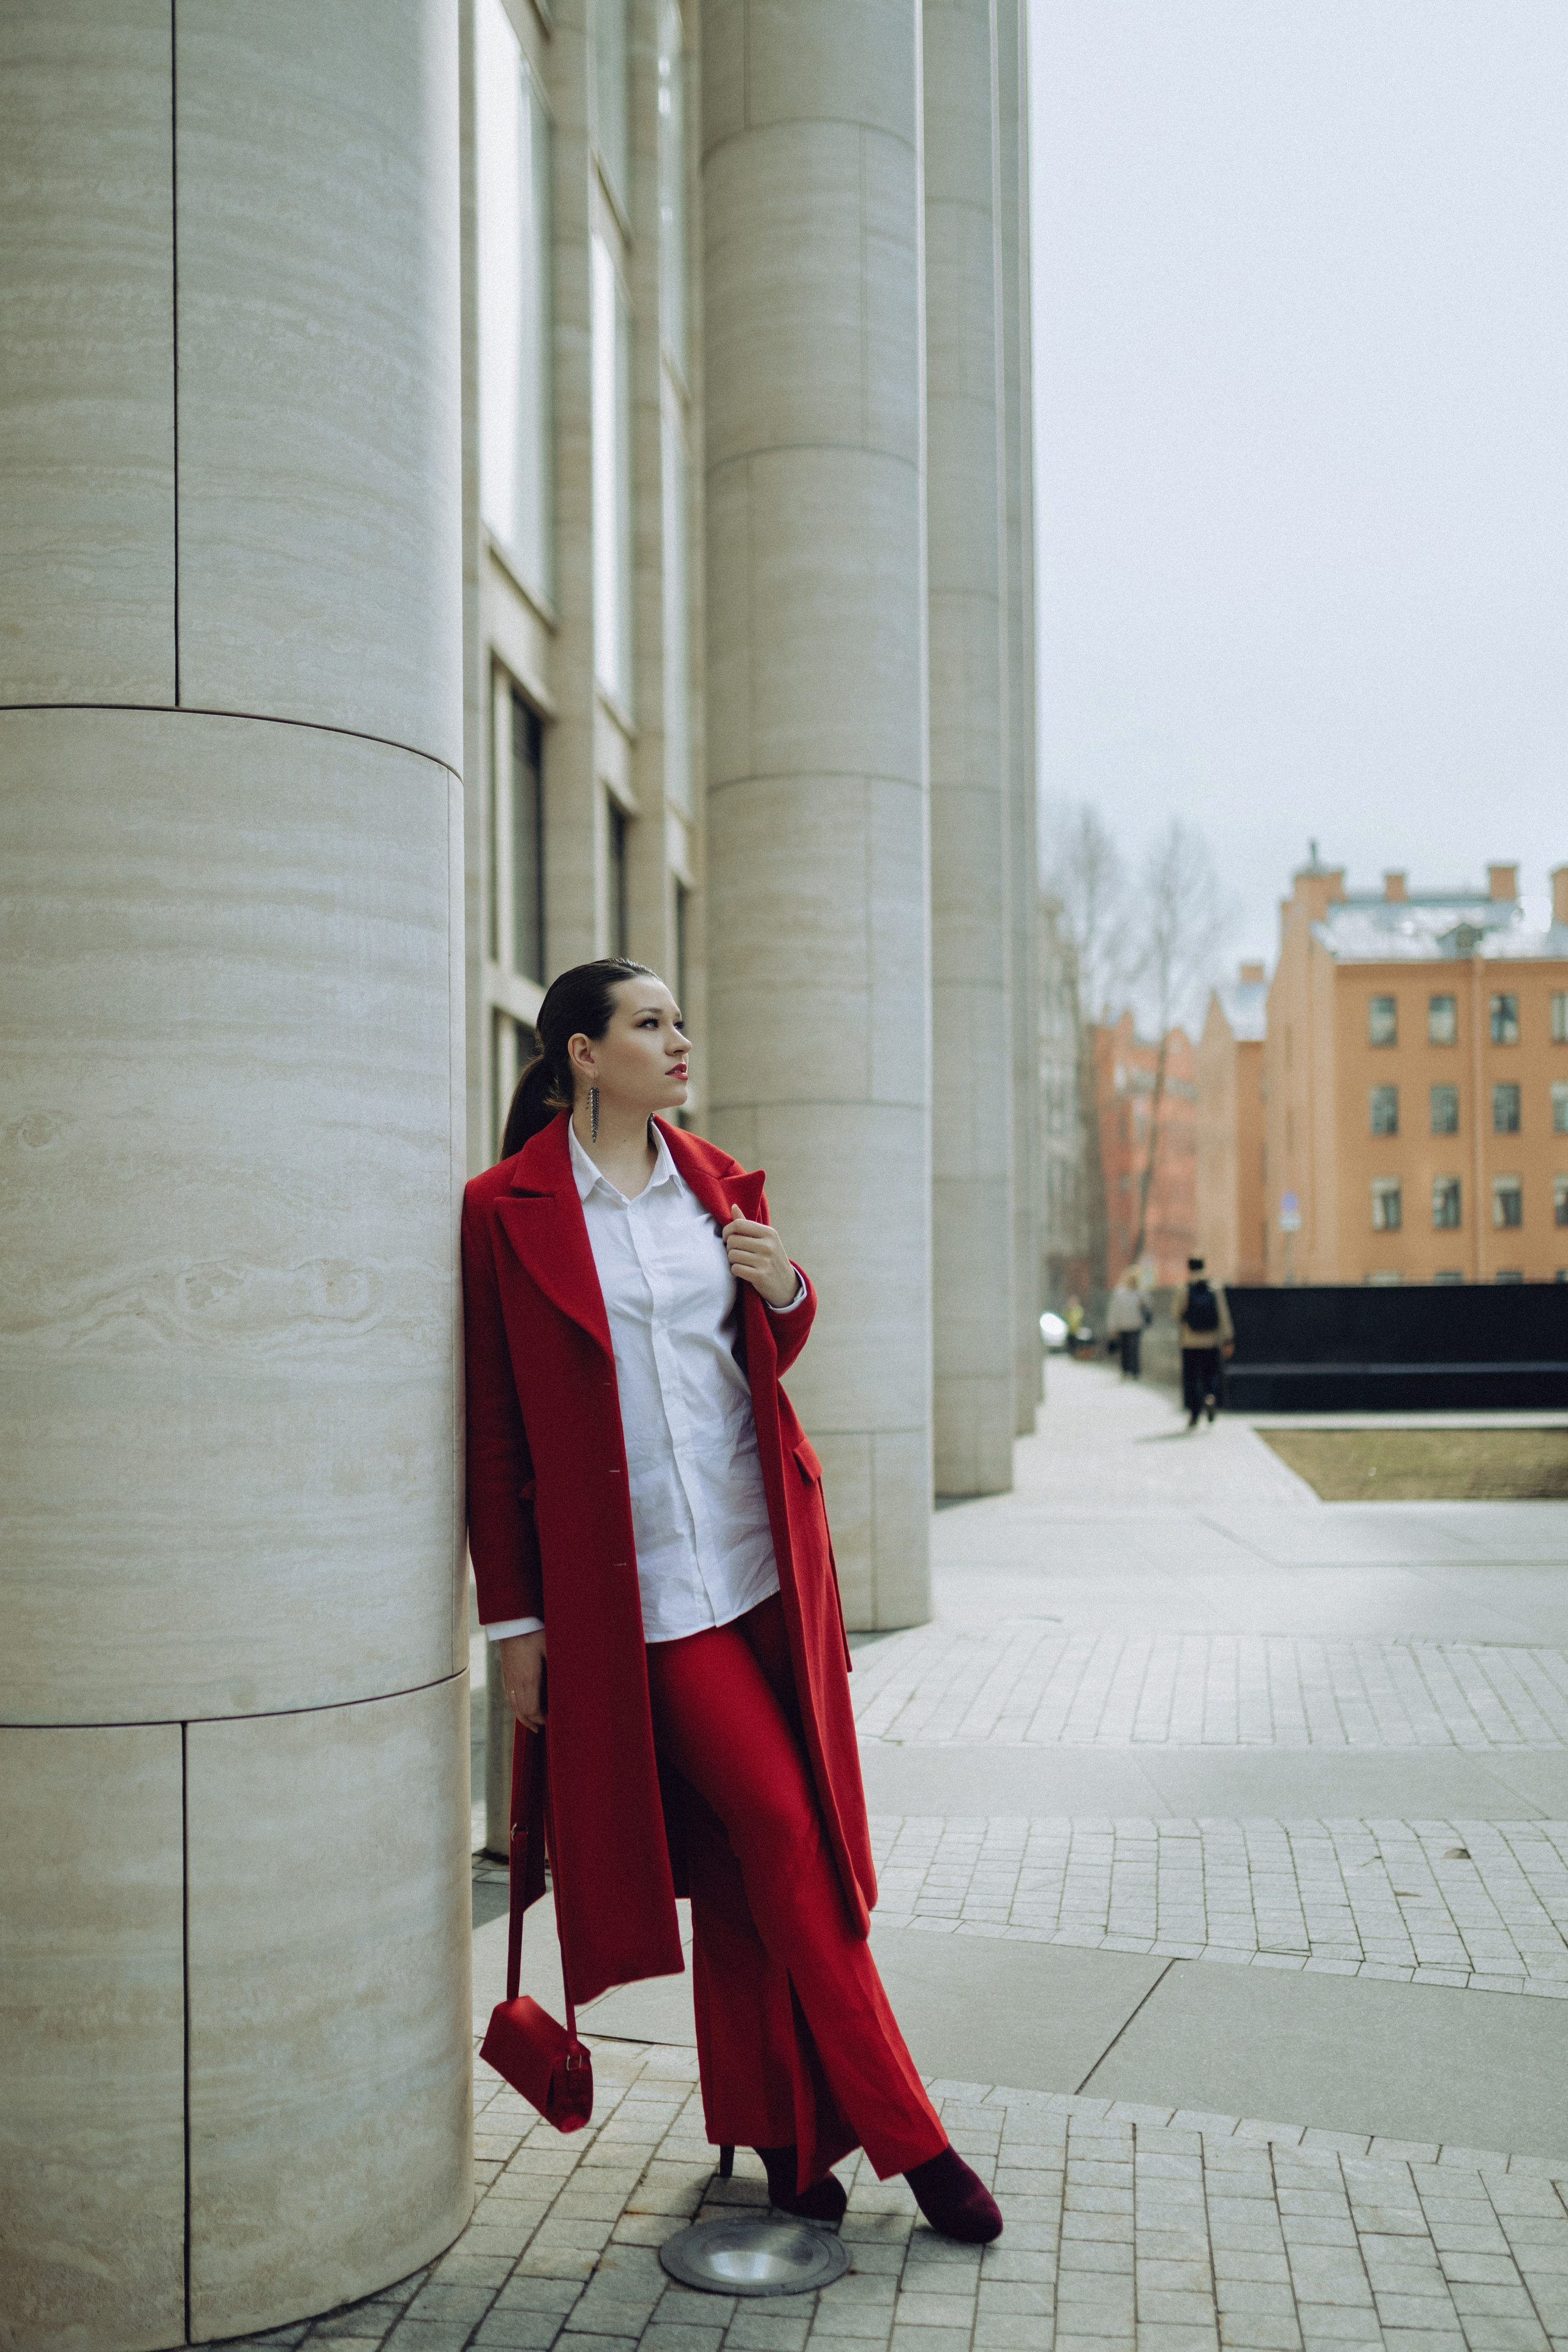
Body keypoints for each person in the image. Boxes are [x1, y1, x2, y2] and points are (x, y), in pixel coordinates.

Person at [462, 959, 1002, 2244]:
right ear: (583, 1053)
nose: (678, 1040)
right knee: (782, 1832)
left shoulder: (715, 1184)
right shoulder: (505, 1209)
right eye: (649, 1024)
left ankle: (783, 2144)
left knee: (758, 1863)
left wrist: (784, 1288)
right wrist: (514, 1629)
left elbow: (759, 1355)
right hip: (644, 1600)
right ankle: (913, 2137)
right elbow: (494, 1431)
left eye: (678, 1020)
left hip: (765, 1572)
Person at [1175, 1254, 1234, 1427]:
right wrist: (1228, 1338)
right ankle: (1210, 1397)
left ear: (1189, 1267)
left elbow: (1176, 1313)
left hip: (1190, 1342)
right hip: (1211, 1341)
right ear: (1204, 1266)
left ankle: (1194, 1413)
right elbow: (1223, 1314)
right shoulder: (1214, 1288)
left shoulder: (1184, 1289)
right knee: (1211, 1374)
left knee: (1192, 1378)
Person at [1104, 1267, 1150, 1378]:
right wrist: (1113, 1327)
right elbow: (1114, 1311)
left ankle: (1135, 1371)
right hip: (1123, 1325)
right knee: (1125, 1349)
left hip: (1136, 1325)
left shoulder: (1141, 1293)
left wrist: (1143, 1304)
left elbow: (1149, 1306)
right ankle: (1125, 1370)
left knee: (1134, 1349)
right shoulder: (1120, 1293)